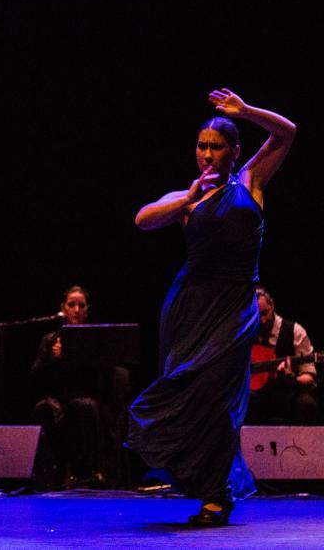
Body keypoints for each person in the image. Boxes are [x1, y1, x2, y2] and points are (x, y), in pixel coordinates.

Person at [127, 88, 296, 526]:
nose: (207, 154)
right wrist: (186, 199)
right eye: (201, 146)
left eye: (216, 147)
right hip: (189, 306)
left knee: (221, 400)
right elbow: (143, 219)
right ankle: (201, 485)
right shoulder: (188, 196)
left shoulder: (251, 182)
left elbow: (287, 132)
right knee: (188, 390)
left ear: (233, 151)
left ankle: (217, 496)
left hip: (234, 305)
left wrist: (246, 111)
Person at [31, 286, 130, 486]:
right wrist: (52, 358)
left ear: (87, 309)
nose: (76, 309)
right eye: (71, 305)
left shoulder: (95, 337)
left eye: (81, 305)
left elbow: (110, 374)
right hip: (58, 397)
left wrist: (83, 357)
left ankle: (86, 472)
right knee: (45, 408)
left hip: (90, 396)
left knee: (83, 406)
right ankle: (54, 471)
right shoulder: (51, 339)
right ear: (63, 308)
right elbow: (35, 375)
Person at [246, 286, 318, 425]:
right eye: (256, 315)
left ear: (271, 304)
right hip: (259, 394)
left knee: (306, 404)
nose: (262, 320)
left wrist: (291, 379)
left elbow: (309, 375)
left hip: (288, 392)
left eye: (265, 313)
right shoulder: (247, 333)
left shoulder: (295, 331)